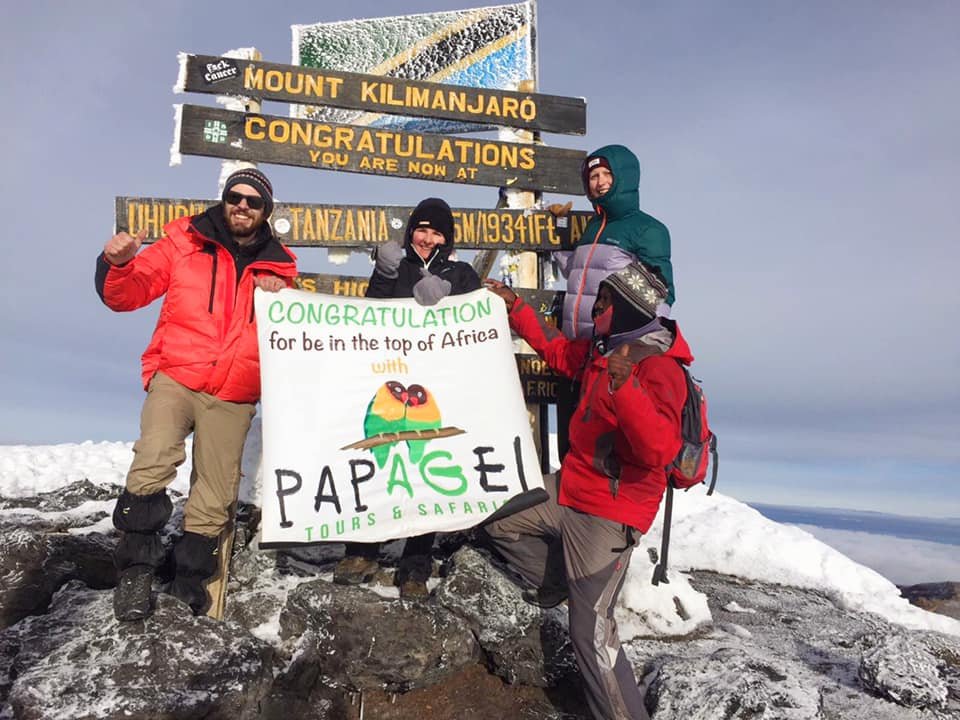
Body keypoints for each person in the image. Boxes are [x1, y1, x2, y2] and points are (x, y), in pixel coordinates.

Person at [483, 261, 691, 720]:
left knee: (590, 632)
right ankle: (556, 580)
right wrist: (517, 307)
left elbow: (657, 450)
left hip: (611, 511)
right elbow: (557, 351)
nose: (596, 308)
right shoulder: (603, 350)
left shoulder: (660, 368)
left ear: (625, 311)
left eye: (605, 303)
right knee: (499, 516)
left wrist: (624, 387)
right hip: (571, 486)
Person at [96, 167, 297, 621]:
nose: (242, 205)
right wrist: (118, 264)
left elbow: (296, 334)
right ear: (224, 200)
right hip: (177, 374)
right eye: (234, 196)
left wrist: (280, 300)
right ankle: (136, 570)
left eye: (253, 201)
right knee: (154, 456)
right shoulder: (183, 243)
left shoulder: (281, 267)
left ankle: (191, 585)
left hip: (235, 392)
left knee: (215, 491)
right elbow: (127, 294)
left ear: (266, 212)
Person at [333, 197, 481, 599]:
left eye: (437, 233)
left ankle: (414, 565)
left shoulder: (463, 273)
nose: (428, 239)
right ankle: (361, 551)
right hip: (388, 380)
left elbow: (478, 323)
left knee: (423, 470)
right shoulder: (396, 265)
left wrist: (453, 297)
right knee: (378, 461)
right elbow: (373, 314)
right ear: (411, 230)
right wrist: (384, 273)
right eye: (423, 229)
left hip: (434, 389)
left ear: (448, 240)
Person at [552, 144, 675, 461]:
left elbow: (661, 295)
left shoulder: (647, 230)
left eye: (608, 174)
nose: (600, 181)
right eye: (593, 175)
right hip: (577, 354)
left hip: (613, 358)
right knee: (571, 447)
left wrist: (637, 352)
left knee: (605, 453)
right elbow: (580, 272)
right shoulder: (593, 228)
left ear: (625, 178)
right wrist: (558, 228)